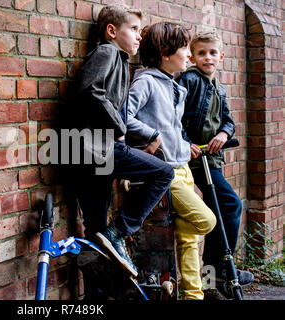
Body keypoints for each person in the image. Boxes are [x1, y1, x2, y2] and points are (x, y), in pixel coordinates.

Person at [66, 4, 174, 277]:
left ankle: (94, 294)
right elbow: (90, 91)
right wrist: (118, 127)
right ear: (112, 31)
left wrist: (137, 136)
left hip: (86, 151)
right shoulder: (108, 52)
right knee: (164, 172)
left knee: (95, 235)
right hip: (97, 147)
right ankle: (121, 230)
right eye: (134, 29)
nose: (140, 36)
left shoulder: (118, 59)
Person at [125, 22, 217, 300]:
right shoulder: (146, 80)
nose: (189, 56)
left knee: (189, 240)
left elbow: (170, 127)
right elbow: (123, 117)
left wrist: (182, 143)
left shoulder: (173, 84)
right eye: (184, 50)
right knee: (206, 220)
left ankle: (193, 296)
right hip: (166, 171)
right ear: (165, 54)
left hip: (184, 167)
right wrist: (151, 135)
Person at [177, 31, 254, 287]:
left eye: (212, 53)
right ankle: (222, 268)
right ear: (192, 56)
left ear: (221, 56)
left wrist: (224, 132)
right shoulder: (189, 80)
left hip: (212, 160)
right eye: (201, 53)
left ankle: (210, 280)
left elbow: (228, 120)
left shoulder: (218, 86)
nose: (207, 57)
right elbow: (174, 117)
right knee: (231, 205)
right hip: (195, 160)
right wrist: (185, 142)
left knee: (217, 212)